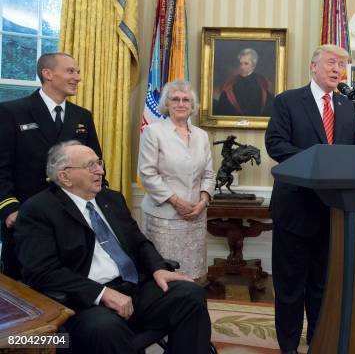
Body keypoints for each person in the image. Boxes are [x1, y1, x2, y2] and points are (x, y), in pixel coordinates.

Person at [14, 141, 211, 354]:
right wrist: (101, 293)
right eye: (90, 166)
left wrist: (158, 267)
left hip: (134, 287)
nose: (100, 170)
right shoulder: (38, 210)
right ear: (65, 177)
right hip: (85, 301)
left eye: (99, 163)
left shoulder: (111, 199)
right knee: (106, 329)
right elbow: (42, 272)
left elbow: (139, 241)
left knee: (190, 295)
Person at [265, 44, 355, 354]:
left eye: (343, 65)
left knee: (323, 286)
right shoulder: (288, 101)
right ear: (313, 66)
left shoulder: (348, 107)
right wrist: (318, 163)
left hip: (333, 211)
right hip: (295, 209)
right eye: (332, 63)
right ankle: (288, 347)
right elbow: (276, 143)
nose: (338, 69)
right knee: (290, 287)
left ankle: (319, 341)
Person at [0, 52, 103, 280]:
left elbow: (95, 164)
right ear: (48, 74)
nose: (77, 77)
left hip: (72, 217)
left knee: (69, 283)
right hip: (27, 216)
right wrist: (9, 209)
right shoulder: (12, 111)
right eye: (70, 71)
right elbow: (1, 168)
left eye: (77, 72)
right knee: (24, 288)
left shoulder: (82, 116)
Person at [138, 80, 215, 280]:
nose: (181, 104)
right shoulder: (153, 132)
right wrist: (176, 202)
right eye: (175, 99)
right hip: (164, 219)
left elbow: (208, 173)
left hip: (195, 217)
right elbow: (147, 174)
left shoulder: (202, 136)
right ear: (167, 103)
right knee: (166, 276)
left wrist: (204, 202)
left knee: (194, 276)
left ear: (192, 105)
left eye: (186, 100)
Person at [215, 48, 274, 117]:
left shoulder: (262, 86)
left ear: (253, 66)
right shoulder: (231, 84)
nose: (242, 67)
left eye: (246, 64)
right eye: (241, 64)